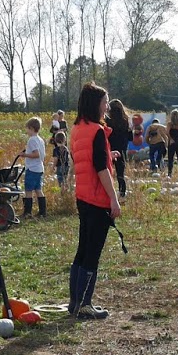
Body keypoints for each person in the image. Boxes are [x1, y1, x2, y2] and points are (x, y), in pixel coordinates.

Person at [67, 82, 123, 320]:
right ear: (96, 104)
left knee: (82, 251)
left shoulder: (77, 129)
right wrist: (114, 199)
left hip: (82, 196)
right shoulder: (98, 131)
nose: (107, 105)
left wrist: (107, 156)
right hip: (97, 199)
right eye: (105, 101)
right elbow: (100, 170)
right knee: (93, 254)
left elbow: (84, 159)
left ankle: (74, 302)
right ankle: (85, 305)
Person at [21, 116, 47, 218]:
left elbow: (36, 154)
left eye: (27, 128)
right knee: (38, 190)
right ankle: (42, 212)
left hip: (32, 169)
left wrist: (24, 155)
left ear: (31, 128)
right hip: (39, 168)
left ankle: (27, 213)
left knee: (28, 191)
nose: (26, 130)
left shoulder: (31, 140)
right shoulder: (40, 139)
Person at [105, 98, 131, 198]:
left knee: (107, 172)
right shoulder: (125, 121)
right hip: (122, 150)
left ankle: (108, 193)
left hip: (110, 149)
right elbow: (130, 137)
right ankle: (122, 193)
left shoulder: (107, 121)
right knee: (121, 174)